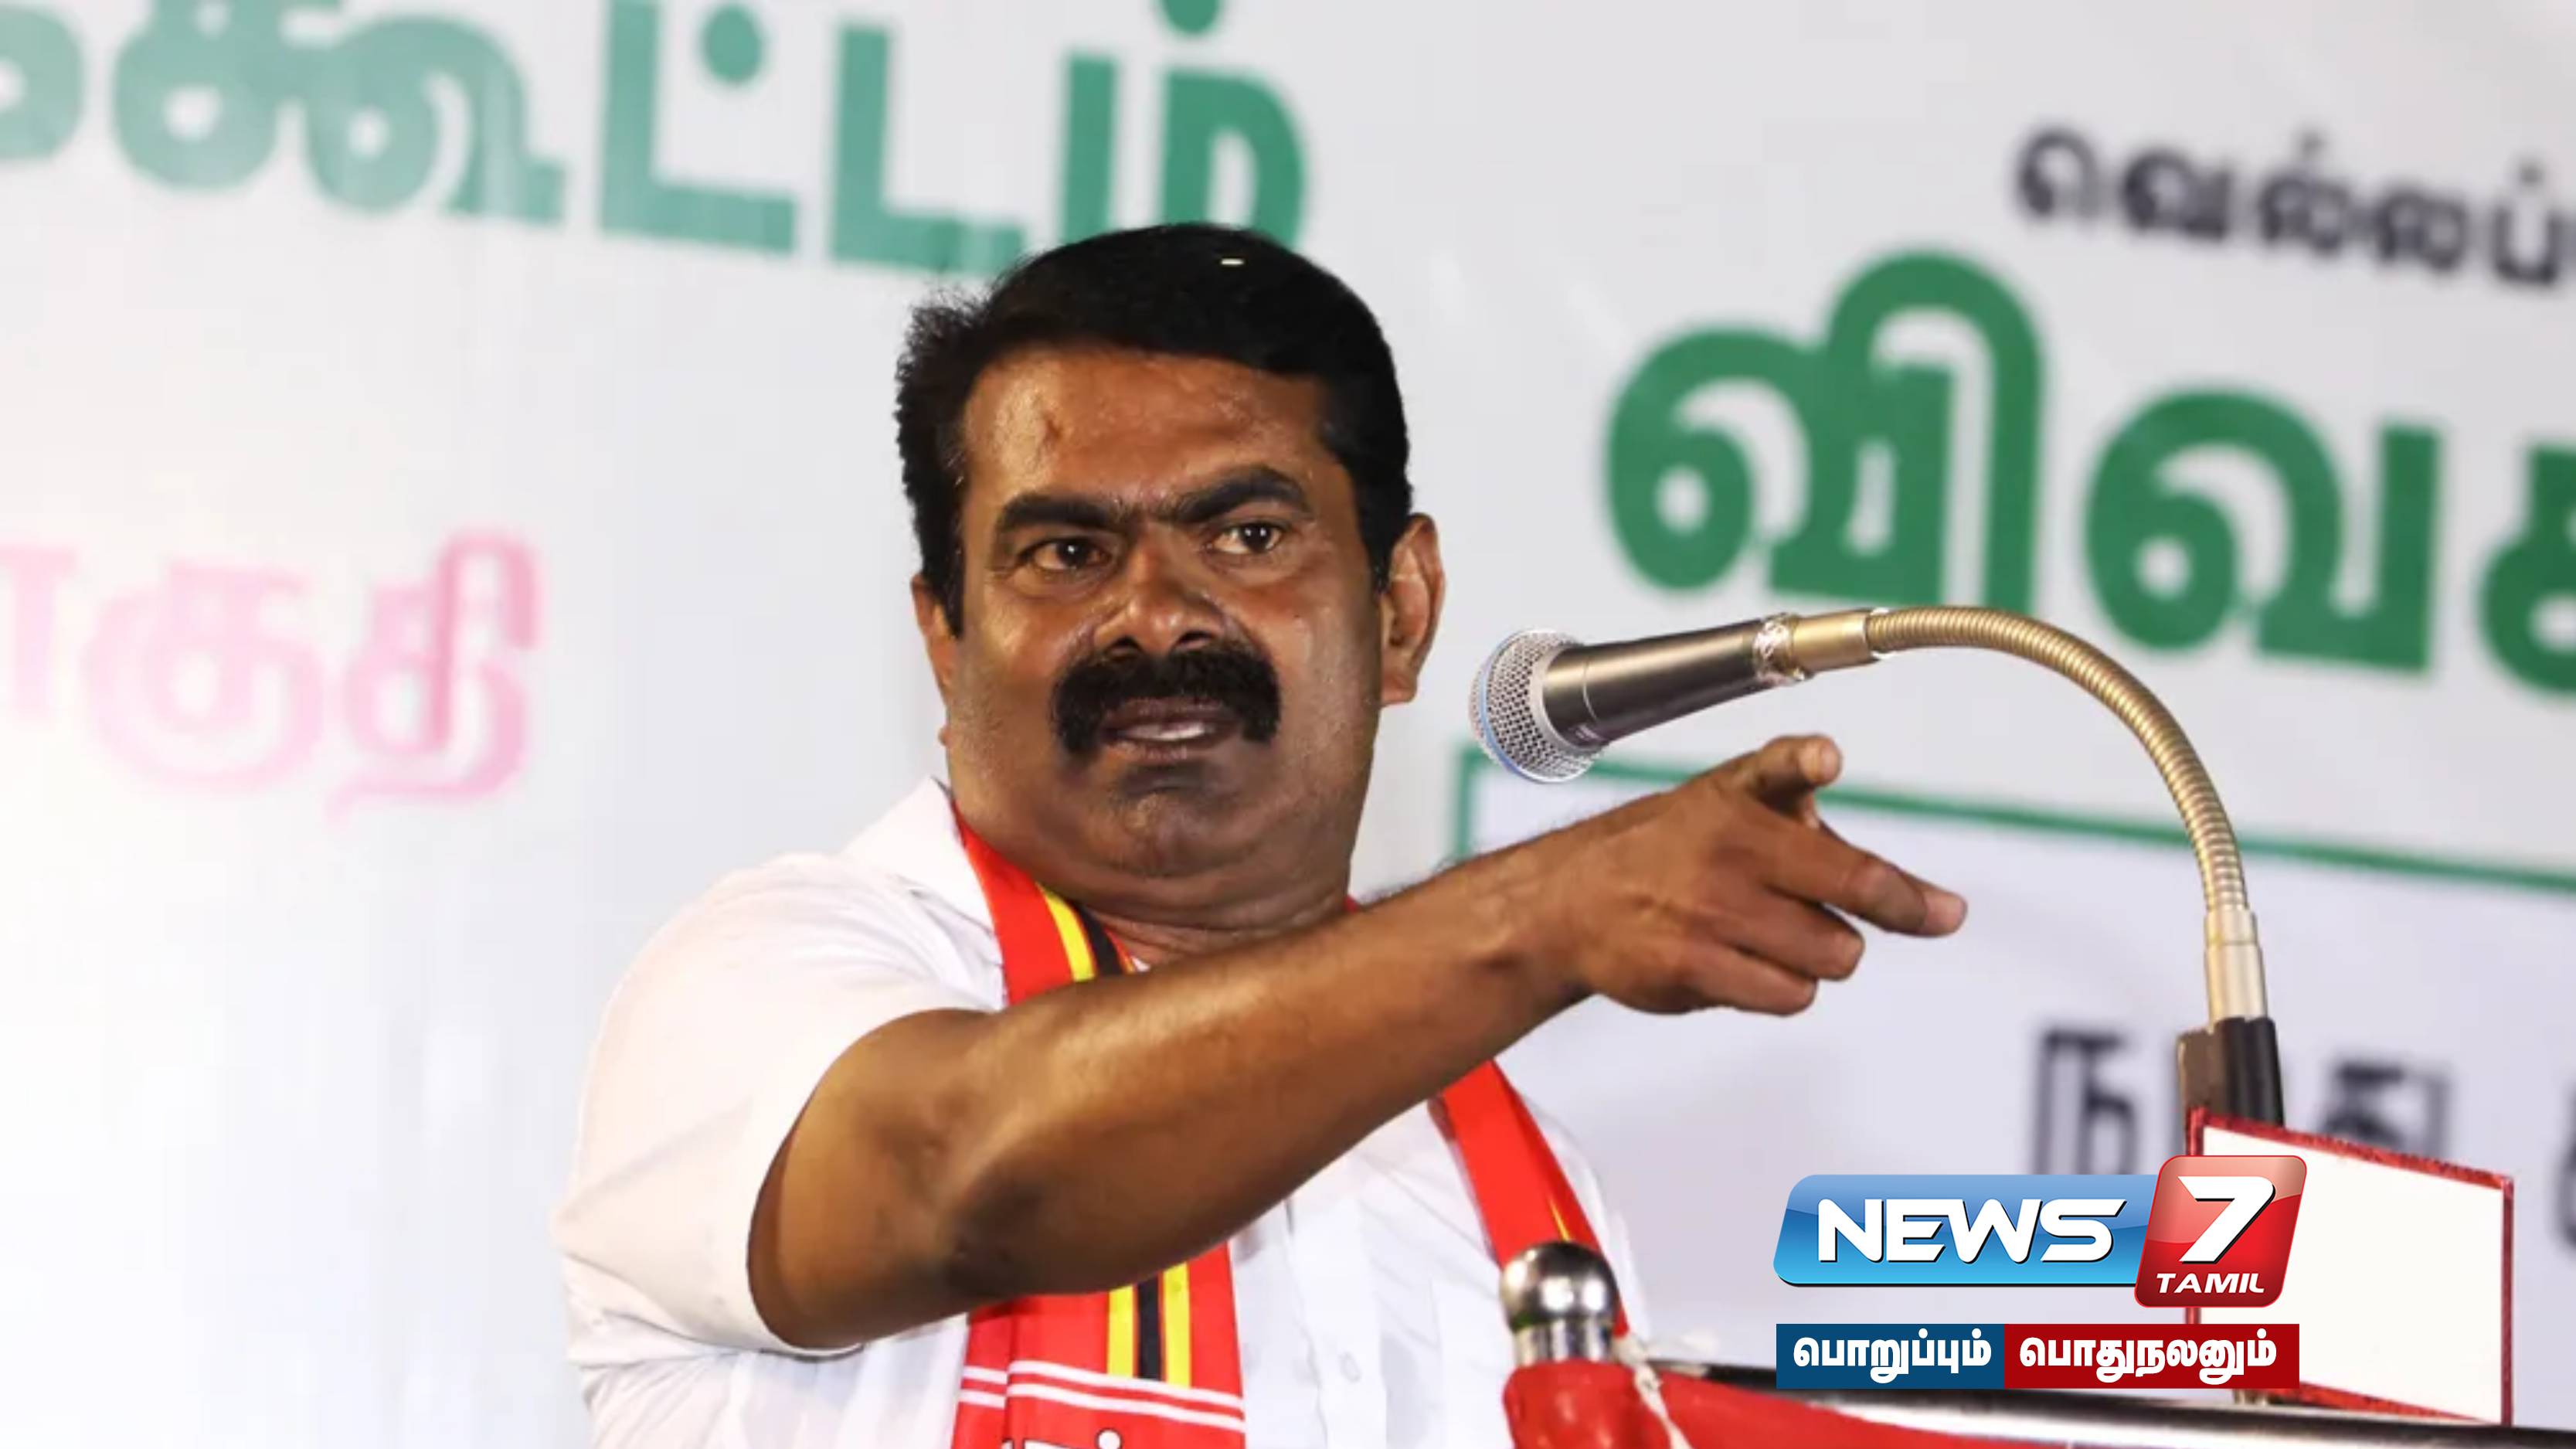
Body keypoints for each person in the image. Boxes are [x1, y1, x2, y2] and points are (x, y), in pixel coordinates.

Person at [552, 223, 1967, 1449]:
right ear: (946, 636)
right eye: (1065, 553)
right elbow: (972, 1179)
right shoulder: (774, 985)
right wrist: (1533, 915)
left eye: (1245, 537)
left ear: (1400, 613)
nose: (1153, 614)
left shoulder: (1524, 1200)